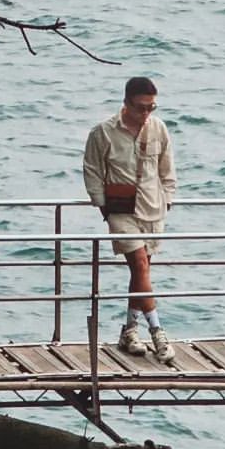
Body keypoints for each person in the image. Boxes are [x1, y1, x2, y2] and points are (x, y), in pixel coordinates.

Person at [82, 75, 177, 362]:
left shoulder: (158, 128)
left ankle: (130, 330)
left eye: (151, 107)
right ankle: (158, 332)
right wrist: (102, 205)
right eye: (140, 107)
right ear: (126, 103)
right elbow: (92, 170)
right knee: (139, 264)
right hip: (121, 210)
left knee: (141, 272)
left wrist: (168, 199)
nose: (146, 113)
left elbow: (167, 168)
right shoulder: (103, 133)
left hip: (153, 207)